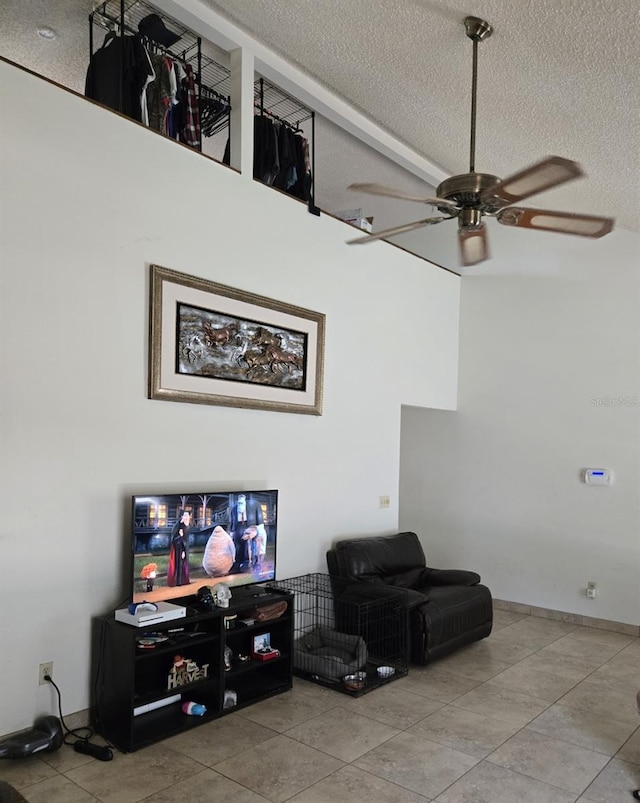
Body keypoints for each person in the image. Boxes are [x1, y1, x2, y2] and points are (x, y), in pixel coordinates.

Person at [228, 493, 264, 572]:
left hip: (252, 527)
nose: (240, 505)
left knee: (254, 545)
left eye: (242, 503)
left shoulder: (254, 505)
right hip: (239, 527)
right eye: (239, 503)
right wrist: (231, 534)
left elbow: (259, 521)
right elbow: (232, 523)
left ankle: (255, 563)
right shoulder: (234, 509)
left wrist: (258, 531)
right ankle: (237, 563)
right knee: (237, 544)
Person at [167, 509, 190, 586]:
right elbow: (174, 539)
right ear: (182, 517)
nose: (187, 517)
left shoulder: (186, 526)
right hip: (178, 548)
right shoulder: (178, 526)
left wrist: (185, 549)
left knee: (183, 564)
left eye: (188, 515)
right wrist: (180, 536)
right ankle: (178, 582)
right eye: (185, 515)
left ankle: (184, 580)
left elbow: (186, 539)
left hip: (184, 547)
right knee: (179, 564)